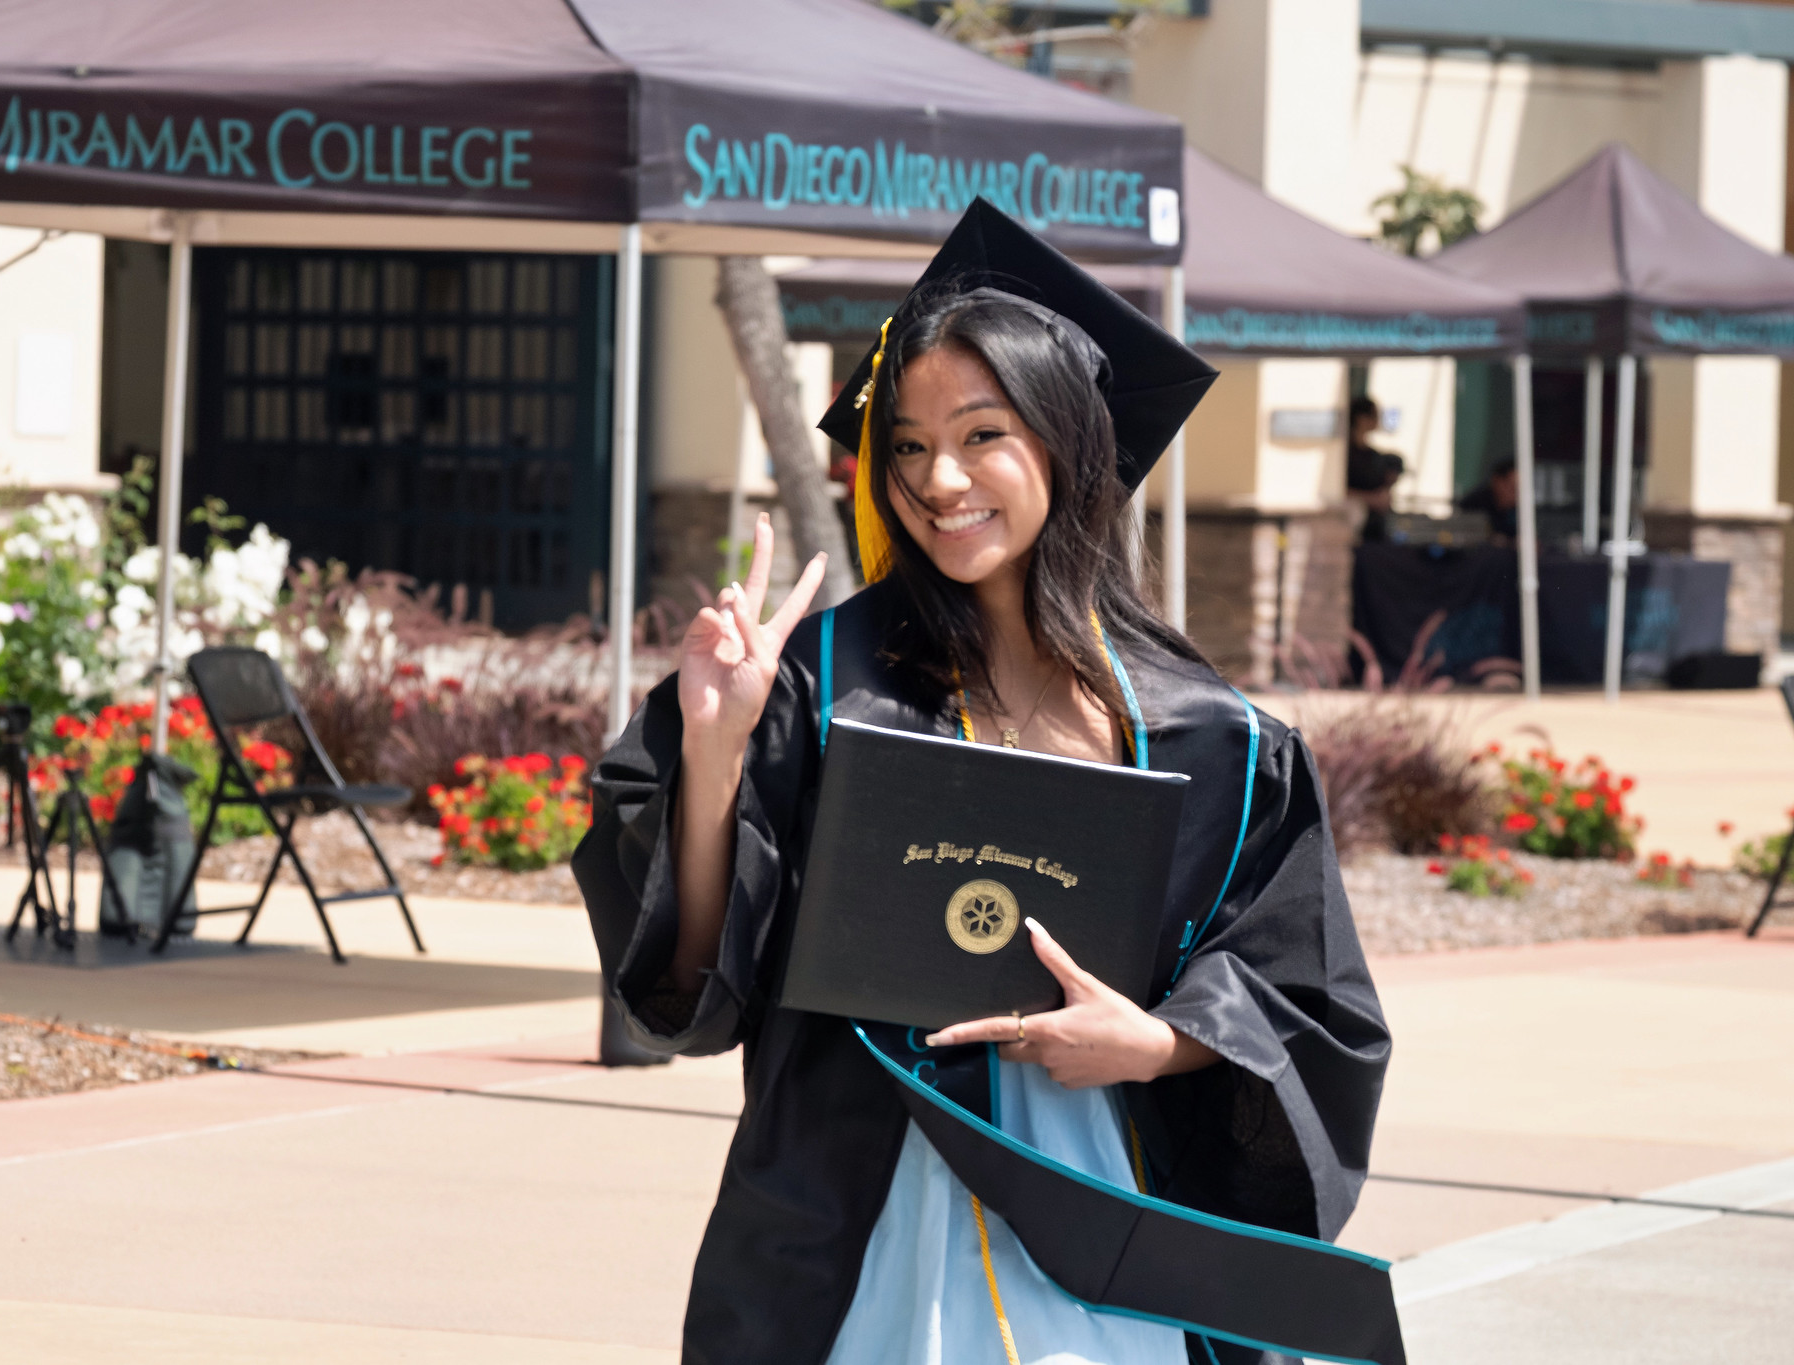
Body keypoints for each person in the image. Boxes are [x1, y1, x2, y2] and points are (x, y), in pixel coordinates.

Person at [575, 202, 1390, 1365]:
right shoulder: (816, 685)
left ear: (1066, 443)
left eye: (980, 434)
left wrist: (1158, 1044)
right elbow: (691, 981)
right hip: (859, 1223)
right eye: (905, 446)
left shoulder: (1210, 738)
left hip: (1107, 1225)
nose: (937, 479)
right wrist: (713, 748)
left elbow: (1305, 998)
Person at [1345, 396, 1404, 543]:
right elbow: (1338, 489)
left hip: (1377, 524)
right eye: (1374, 415)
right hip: (1354, 522)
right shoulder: (1345, 455)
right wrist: (1371, 499)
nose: (1377, 420)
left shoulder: (1373, 455)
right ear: (1360, 418)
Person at [1457, 457, 1520, 541]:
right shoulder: (1474, 505)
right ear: (1497, 481)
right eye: (1513, 488)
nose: (1518, 495)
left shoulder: (1516, 510)